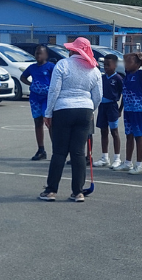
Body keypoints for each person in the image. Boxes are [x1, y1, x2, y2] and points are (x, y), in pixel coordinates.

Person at [40, 37, 103, 202]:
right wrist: (90, 110)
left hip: (63, 108)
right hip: (85, 110)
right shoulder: (94, 69)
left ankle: (51, 190)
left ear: (72, 50)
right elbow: (98, 96)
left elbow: (54, 90)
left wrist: (48, 113)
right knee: (78, 152)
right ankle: (78, 192)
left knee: (60, 152)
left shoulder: (63, 64)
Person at [117, 52, 142, 174]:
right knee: (129, 135)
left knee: (138, 137)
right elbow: (123, 57)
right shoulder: (127, 74)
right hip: (128, 110)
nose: (126, 63)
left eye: (130, 62)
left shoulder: (140, 75)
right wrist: (121, 108)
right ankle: (128, 162)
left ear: (138, 65)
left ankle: (139, 165)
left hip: (138, 110)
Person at [21, 45, 55, 161]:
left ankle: (56, 150)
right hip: (35, 98)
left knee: (49, 122)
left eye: (40, 53)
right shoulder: (32, 67)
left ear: (46, 55)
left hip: (47, 98)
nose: (38, 56)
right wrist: (32, 84)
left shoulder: (51, 67)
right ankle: (41, 149)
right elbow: (23, 77)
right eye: (36, 53)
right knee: (37, 122)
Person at [94, 53, 123, 169]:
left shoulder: (118, 79)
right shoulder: (102, 78)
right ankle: (104, 157)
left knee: (114, 132)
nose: (106, 67)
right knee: (103, 131)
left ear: (115, 65)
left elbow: (124, 95)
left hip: (112, 107)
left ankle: (117, 158)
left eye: (108, 65)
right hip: (102, 107)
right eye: (104, 65)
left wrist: (120, 109)